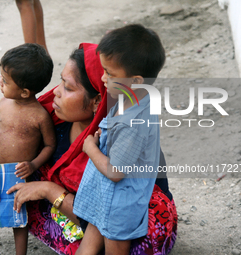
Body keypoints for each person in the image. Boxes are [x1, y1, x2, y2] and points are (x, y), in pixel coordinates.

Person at [0, 42, 177, 255]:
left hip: (128, 216)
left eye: (68, 87)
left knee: (127, 245)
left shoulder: (108, 140)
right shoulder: (56, 114)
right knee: (11, 148)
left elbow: (105, 213)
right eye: (60, 82)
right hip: (77, 204)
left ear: (98, 100)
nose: (57, 93)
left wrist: (46, 189)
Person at [74, 24, 165, 255]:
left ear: (135, 80)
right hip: (106, 196)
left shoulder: (133, 122)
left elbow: (116, 172)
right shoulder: (133, 97)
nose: (103, 77)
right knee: (90, 243)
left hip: (120, 206)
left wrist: (91, 147)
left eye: (110, 73)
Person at [0, 43, 56, 255]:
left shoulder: (40, 116)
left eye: (5, 81)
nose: (0, 82)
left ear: (25, 92)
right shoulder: (4, 102)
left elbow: (49, 145)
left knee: (19, 218)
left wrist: (34, 164)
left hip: (18, 175)